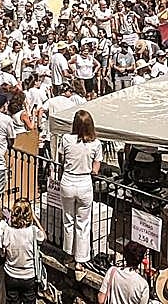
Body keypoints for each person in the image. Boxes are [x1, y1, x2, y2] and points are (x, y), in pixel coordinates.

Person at [59, 109, 102, 271]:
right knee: (83, 223)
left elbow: (62, 159)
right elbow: (95, 169)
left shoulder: (66, 139)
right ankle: (80, 260)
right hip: (84, 183)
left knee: (68, 219)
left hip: (68, 181)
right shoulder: (96, 144)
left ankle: (69, 254)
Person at [0, 197, 45, 304]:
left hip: (11, 274)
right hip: (29, 275)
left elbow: (2, 252)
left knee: (11, 300)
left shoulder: (8, 231)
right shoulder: (33, 231)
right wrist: (36, 220)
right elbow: (44, 236)